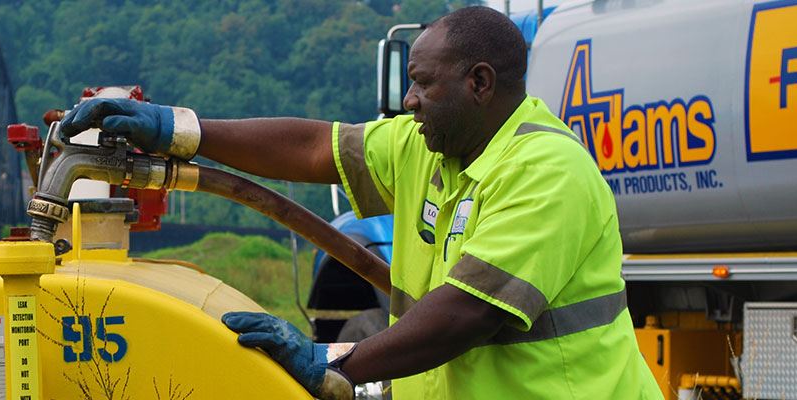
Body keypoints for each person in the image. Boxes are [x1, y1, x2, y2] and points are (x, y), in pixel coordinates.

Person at [59, 6, 661, 400]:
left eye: (424, 82)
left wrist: (335, 361)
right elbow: (313, 146)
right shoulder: (429, 147)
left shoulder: (547, 171)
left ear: (479, 83)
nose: (409, 99)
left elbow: (467, 314)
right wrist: (179, 129)